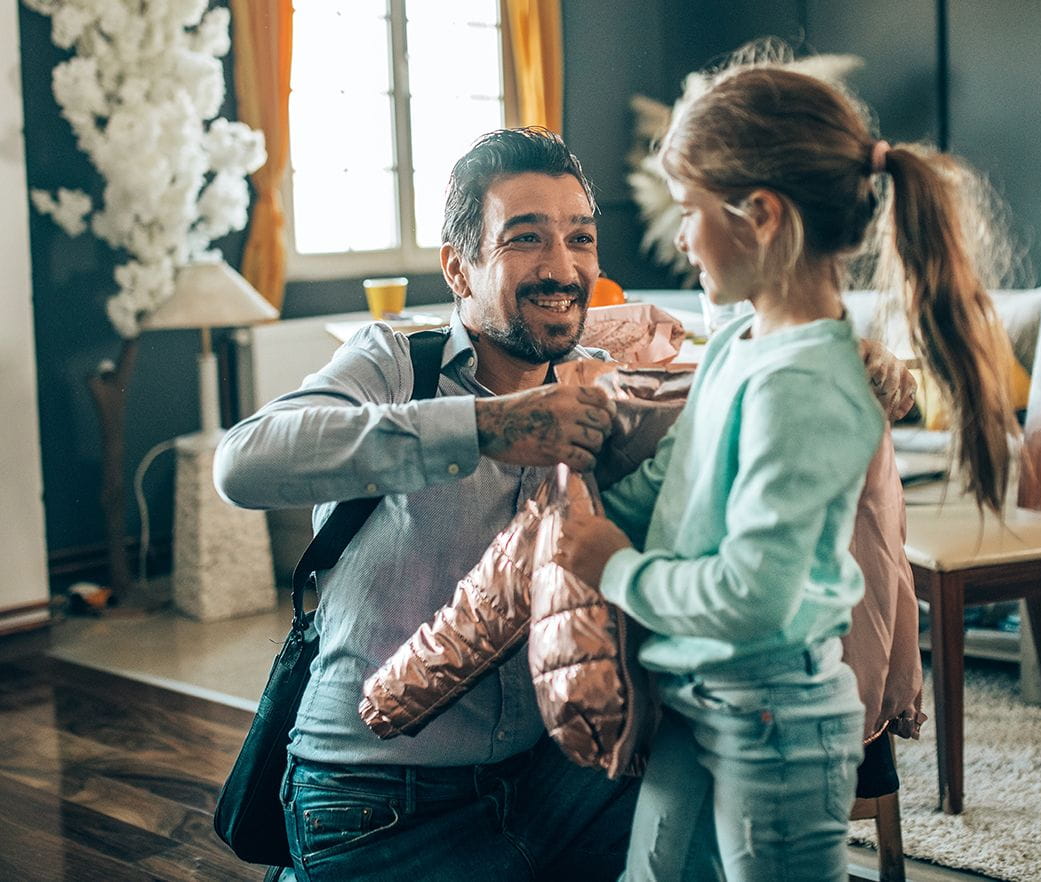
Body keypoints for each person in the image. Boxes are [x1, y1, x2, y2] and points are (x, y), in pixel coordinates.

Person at [215, 126, 916, 881]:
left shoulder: (605, 383)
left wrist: (839, 364)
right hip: (379, 797)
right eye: (525, 239)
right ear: (460, 266)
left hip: (554, 781)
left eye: (579, 239)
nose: (562, 267)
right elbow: (246, 461)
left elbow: (743, 400)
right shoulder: (391, 364)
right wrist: (491, 426)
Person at [555, 62, 1019, 881]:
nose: (679, 239)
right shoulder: (740, 342)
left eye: (691, 213)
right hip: (701, 697)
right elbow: (676, 477)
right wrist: (576, 514)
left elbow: (749, 594)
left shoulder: (810, 388)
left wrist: (614, 568)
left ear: (761, 217)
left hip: (777, 726)